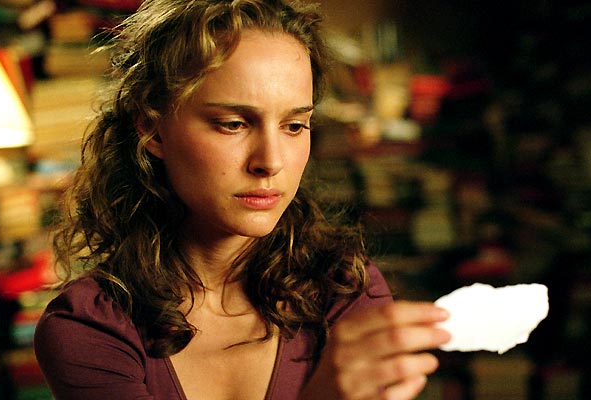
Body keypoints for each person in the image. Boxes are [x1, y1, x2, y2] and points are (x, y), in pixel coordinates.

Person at [34, 0, 451, 399]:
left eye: (294, 126)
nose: (270, 162)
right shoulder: (90, 326)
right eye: (233, 124)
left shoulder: (344, 288)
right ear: (153, 128)